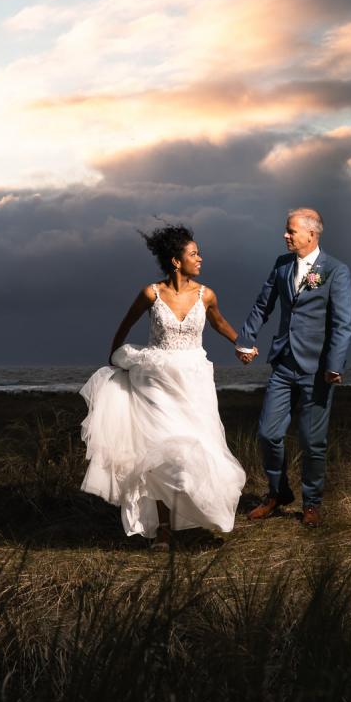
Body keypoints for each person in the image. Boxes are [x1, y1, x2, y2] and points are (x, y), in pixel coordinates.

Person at [77, 225, 248, 548]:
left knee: (199, 445)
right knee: (160, 451)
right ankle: (164, 529)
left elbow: (219, 322)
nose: (200, 258)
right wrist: (115, 358)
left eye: (199, 252)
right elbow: (125, 326)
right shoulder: (150, 294)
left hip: (194, 381)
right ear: (175, 261)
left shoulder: (206, 294)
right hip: (156, 380)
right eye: (193, 253)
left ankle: (201, 511)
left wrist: (241, 344)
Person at [235, 207, 351, 529]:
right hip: (284, 364)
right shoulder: (281, 265)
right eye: (286, 231)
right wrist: (245, 340)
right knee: (268, 433)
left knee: (312, 442)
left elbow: (343, 324)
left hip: (317, 370)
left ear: (311, 235)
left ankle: (312, 503)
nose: (285, 235)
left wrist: (334, 365)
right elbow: (263, 305)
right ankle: (278, 494)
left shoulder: (336, 271)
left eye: (290, 231)